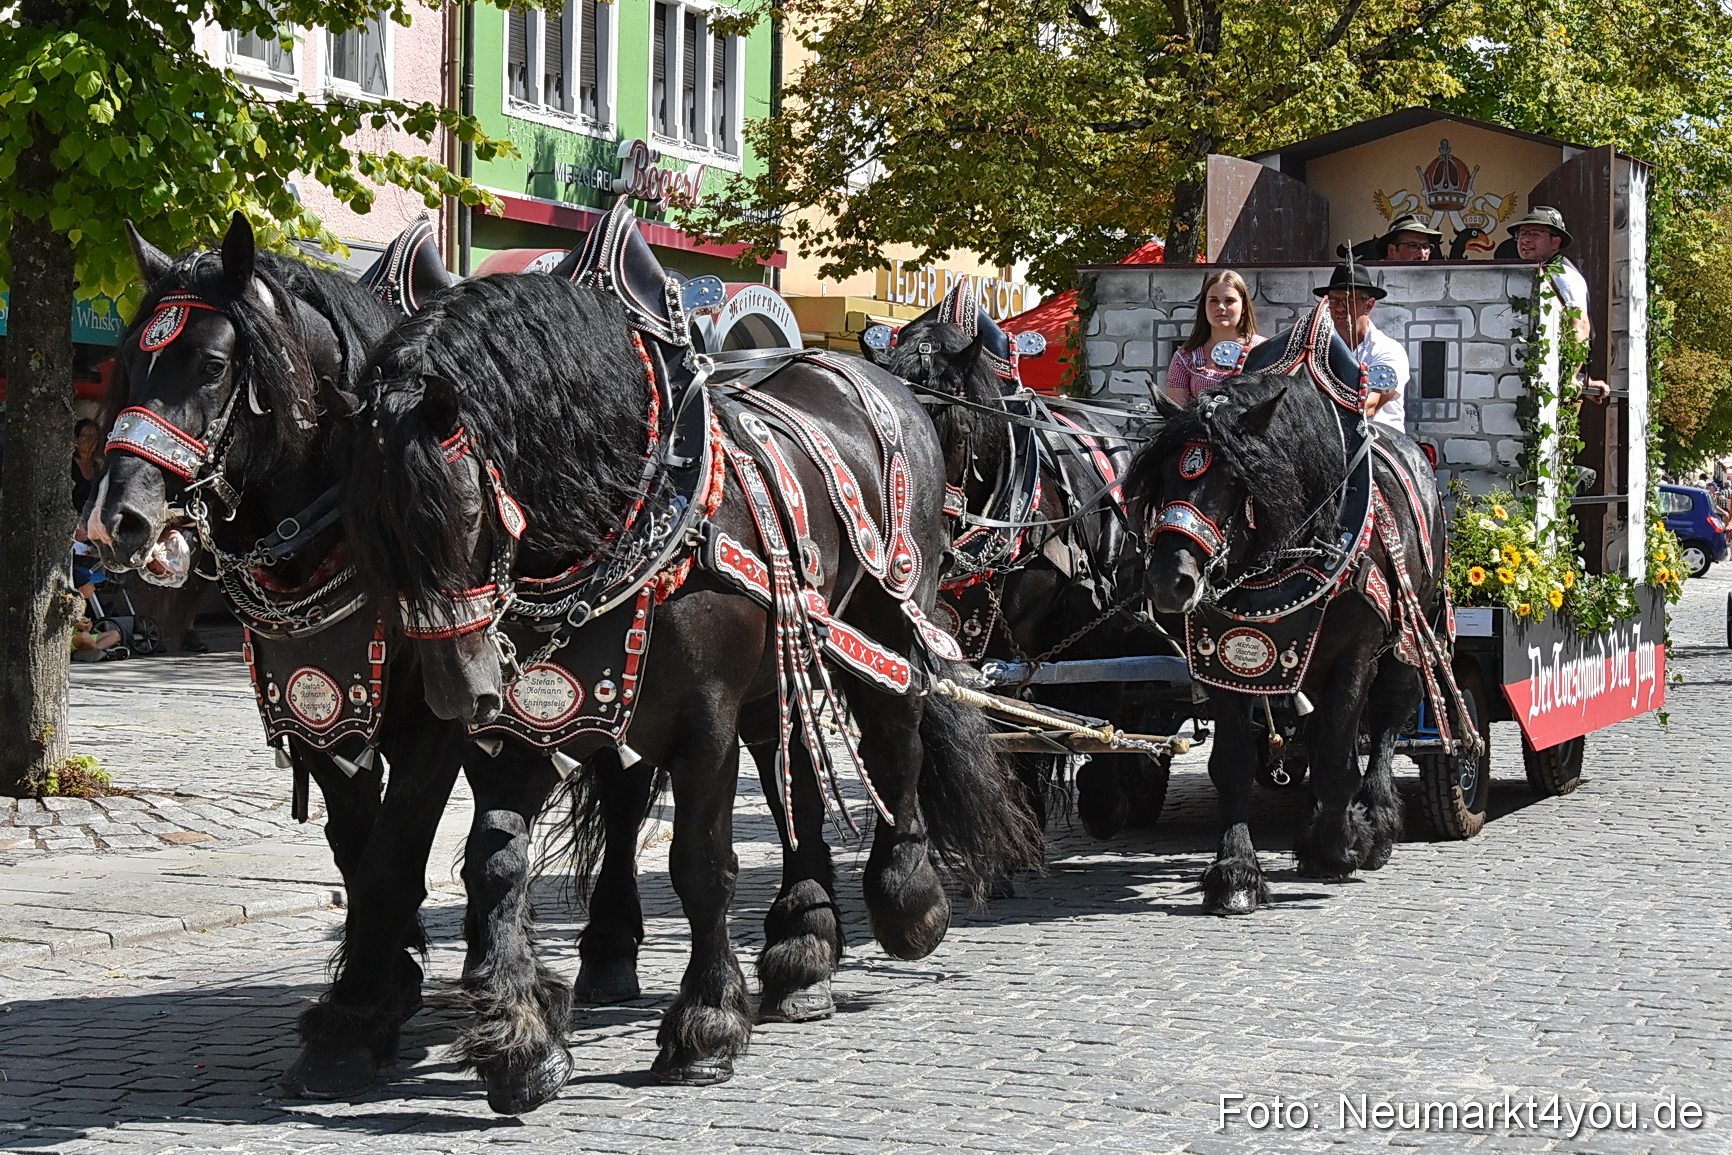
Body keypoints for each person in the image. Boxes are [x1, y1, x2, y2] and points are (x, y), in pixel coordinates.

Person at [1507, 206, 1610, 402]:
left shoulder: (1562, 275)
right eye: (1522, 234)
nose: (1525, 240)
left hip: (1557, 390)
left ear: (1555, 241)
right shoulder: (1533, 272)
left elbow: (1579, 325)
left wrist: (1571, 377)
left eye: (1534, 234)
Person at [1314, 262, 1408, 431]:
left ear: (1369, 305)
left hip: (1379, 442)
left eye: (1348, 300)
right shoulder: (1317, 348)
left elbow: (1370, 405)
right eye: (1334, 301)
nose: (1340, 309)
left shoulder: (1388, 350)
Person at [1165, 270, 1266, 404]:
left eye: (1229, 300)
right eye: (1214, 300)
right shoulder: (1184, 358)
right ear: (1204, 306)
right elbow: (1176, 416)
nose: (1221, 307)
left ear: (1244, 307)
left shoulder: (1264, 351)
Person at [1377, 214, 1442, 262]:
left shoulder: (1433, 279)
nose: (1422, 254)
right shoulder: (1372, 278)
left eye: (1425, 247)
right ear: (1392, 250)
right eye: (1413, 246)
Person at [71, 417, 103, 513]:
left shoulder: (98, 465)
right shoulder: (69, 466)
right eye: (85, 435)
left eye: (93, 436)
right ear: (76, 440)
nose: (90, 440)